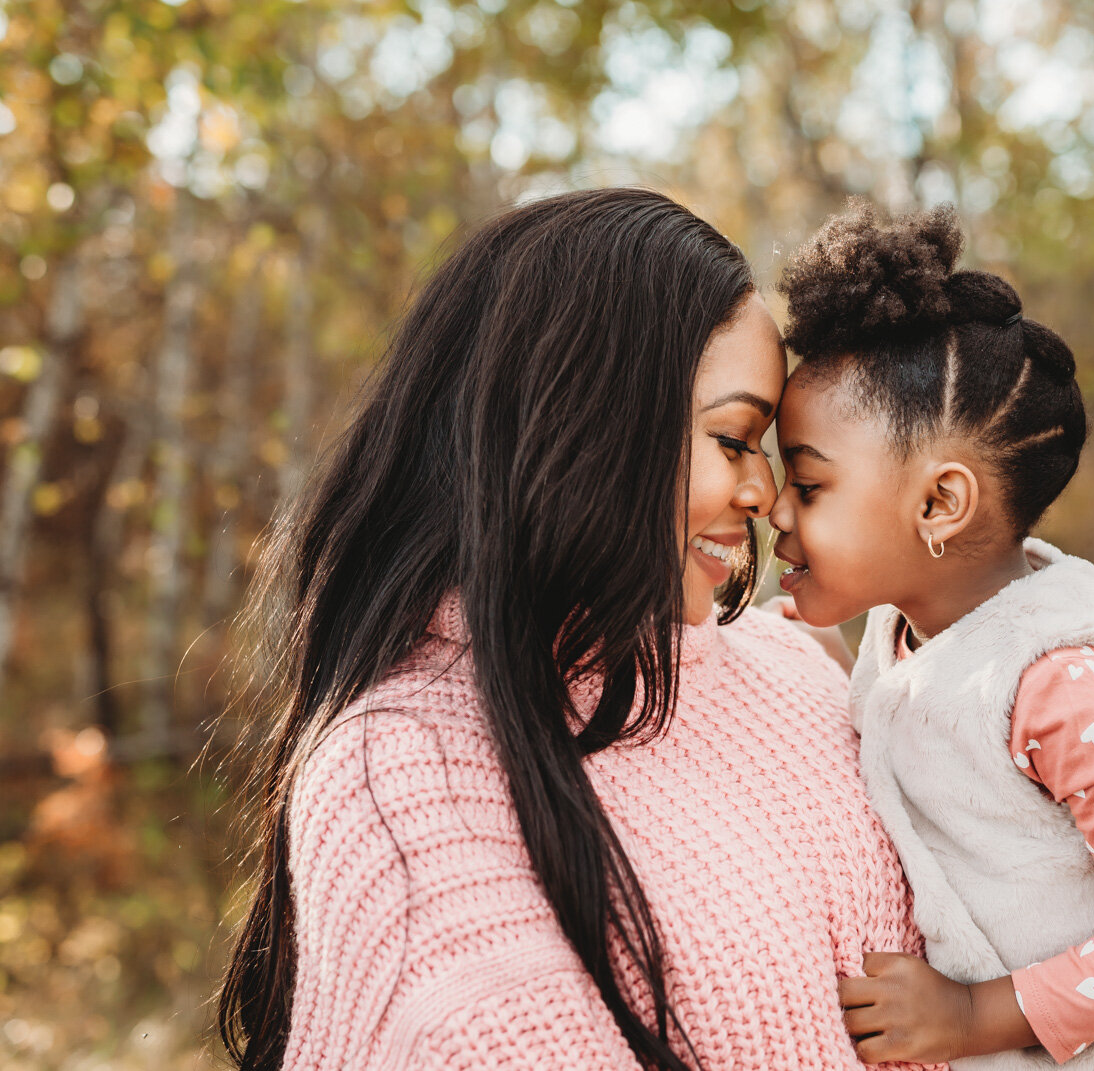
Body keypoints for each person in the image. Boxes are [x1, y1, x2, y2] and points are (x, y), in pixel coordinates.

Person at [217, 188, 933, 1070]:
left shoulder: (801, 668)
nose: (761, 495)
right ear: (592, 422)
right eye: (735, 438)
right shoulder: (403, 769)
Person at [767, 201, 1094, 1069]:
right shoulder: (910, 630)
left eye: (808, 487)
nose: (774, 508)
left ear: (939, 504)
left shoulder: (1062, 684)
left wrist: (970, 1017)